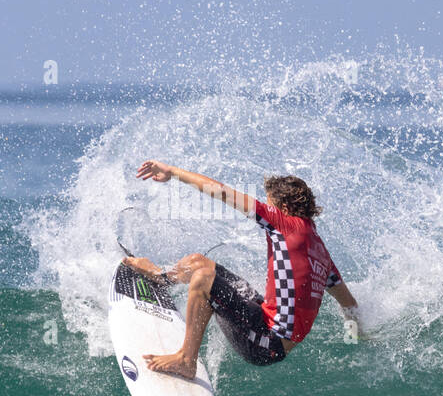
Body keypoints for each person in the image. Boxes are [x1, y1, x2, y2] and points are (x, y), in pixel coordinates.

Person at [123, 160, 360, 378]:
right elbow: (349, 304)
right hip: (264, 319)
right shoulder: (321, 252)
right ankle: (159, 277)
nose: (268, 208)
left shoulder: (283, 223)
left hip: (265, 343)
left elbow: (221, 191)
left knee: (204, 278)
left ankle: (186, 359)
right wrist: (354, 339)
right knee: (199, 262)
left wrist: (173, 172)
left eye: (271, 204)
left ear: (284, 208)